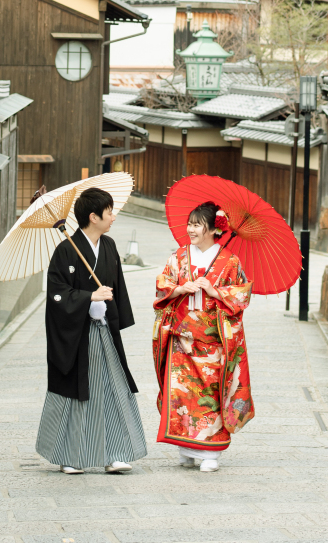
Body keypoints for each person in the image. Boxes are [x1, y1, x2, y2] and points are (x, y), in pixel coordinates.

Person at [36, 186, 147, 474]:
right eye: (109, 212)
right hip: (77, 336)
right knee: (78, 392)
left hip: (104, 332)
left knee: (112, 389)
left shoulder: (108, 247)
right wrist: (88, 298)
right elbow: (56, 294)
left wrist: (112, 313)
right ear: (93, 216)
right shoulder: (65, 251)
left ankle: (115, 453)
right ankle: (70, 456)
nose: (113, 217)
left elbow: (117, 286)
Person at [153, 200, 254, 472]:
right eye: (190, 223)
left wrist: (214, 291)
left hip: (212, 341)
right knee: (182, 395)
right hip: (182, 338)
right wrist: (181, 288)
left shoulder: (229, 261)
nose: (191, 229)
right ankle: (186, 447)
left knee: (209, 392)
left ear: (213, 229)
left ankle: (211, 452)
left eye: (197, 224)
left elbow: (241, 296)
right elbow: (162, 284)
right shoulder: (179, 256)